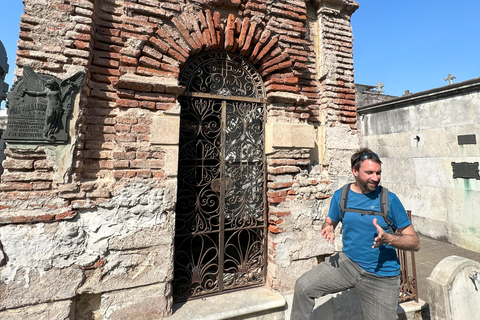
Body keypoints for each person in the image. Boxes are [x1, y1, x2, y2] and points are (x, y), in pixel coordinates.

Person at [291, 148, 420, 320]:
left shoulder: (389, 199)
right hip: (348, 264)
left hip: (381, 276)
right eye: (369, 173)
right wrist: (328, 226)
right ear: (355, 171)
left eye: (378, 173)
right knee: (303, 286)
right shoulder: (341, 196)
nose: (375, 178)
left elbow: (415, 243)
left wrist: (389, 239)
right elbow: (330, 221)